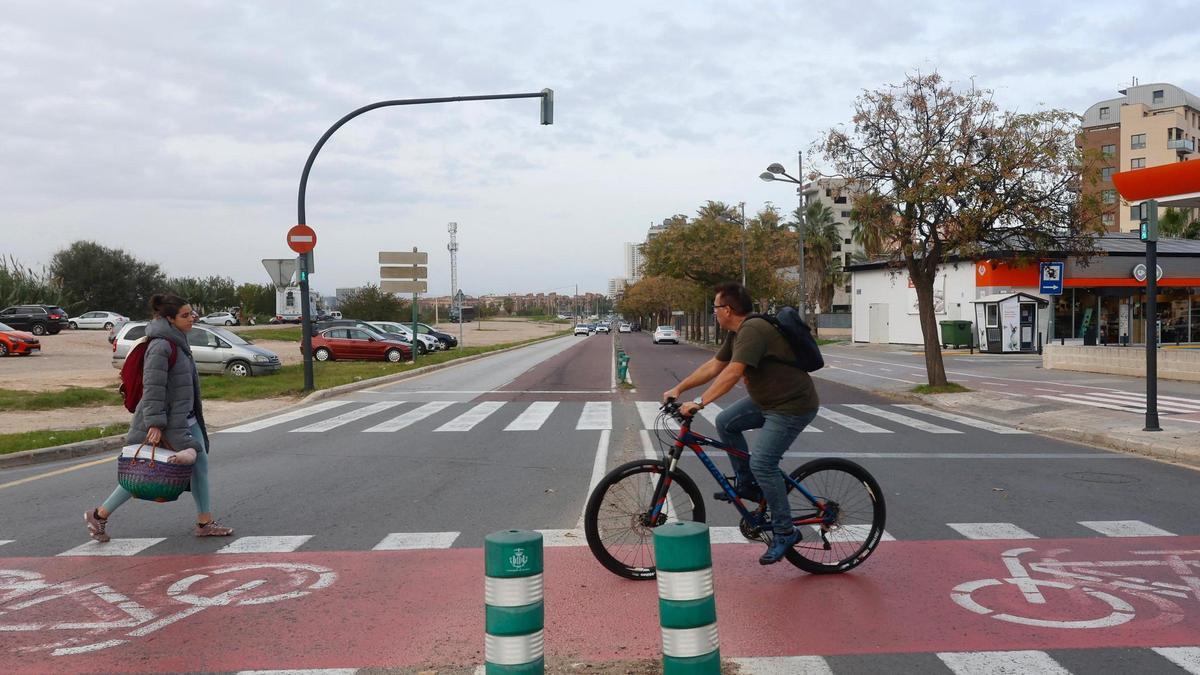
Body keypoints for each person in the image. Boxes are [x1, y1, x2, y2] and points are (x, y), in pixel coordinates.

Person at [663, 282, 819, 565]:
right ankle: (747, 484)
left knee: (763, 463)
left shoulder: (752, 330)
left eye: (715, 308)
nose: (714, 313)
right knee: (726, 422)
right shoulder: (737, 334)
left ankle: (785, 531)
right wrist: (679, 389)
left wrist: (699, 402)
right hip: (767, 401)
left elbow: (733, 372)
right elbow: (714, 366)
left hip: (792, 405)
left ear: (728, 309)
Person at [85, 293, 233, 542]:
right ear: (169, 319)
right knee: (143, 470)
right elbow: (153, 386)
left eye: (191, 313)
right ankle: (99, 515)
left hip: (185, 419)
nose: (191, 319)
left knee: (199, 465)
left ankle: (204, 521)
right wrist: (155, 422)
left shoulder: (177, 341)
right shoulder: (161, 345)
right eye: (185, 315)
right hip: (165, 420)